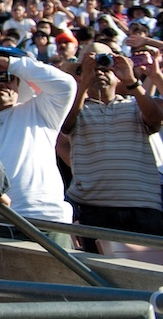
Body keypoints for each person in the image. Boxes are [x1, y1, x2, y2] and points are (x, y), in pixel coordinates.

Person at [0, 46, 78, 226]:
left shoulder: (41, 110)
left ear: (18, 83)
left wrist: (13, 64)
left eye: (7, 77)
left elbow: (65, 85)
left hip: (46, 218)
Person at [60, 44, 163, 240]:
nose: (100, 73)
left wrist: (132, 81)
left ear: (118, 75)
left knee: (148, 269)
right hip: (92, 208)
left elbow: (155, 117)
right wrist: (83, 85)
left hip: (142, 206)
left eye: (106, 68)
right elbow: (66, 124)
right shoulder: (76, 109)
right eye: (92, 68)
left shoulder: (135, 105)